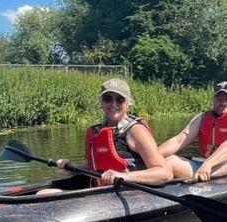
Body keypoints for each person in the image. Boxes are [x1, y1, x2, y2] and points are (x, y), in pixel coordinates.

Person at [38, 79, 172, 194]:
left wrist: (124, 176)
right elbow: (93, 165)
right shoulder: (95, 131)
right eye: (108, 98)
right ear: (101, 102)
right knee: (43, 193)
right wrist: (71, 168)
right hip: (101, 189)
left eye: (119, 99)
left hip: (129, 191)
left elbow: (164, 173)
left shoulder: (136, 131)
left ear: (128, 103)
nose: (113, 104)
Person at [158, 81, 227, 181]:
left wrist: (208, 165)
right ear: (213, 100)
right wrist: (153, 155)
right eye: (219, 99)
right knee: (168, 160)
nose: (223, 103)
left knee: (174, 165)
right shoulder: (201, 119)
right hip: (206, 163)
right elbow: (179, 141)